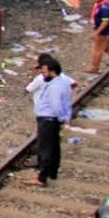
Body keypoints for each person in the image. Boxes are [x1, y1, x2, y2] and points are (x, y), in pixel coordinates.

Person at [29, 57, 73, 187]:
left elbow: (56, 106)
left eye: (45, 72)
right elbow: (67, 103)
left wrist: (60, 118)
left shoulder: (54, 86)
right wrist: (66, 118)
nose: (43, 75)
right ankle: (52, 173)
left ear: (52, 71)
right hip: (53, 120)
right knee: (54, 147)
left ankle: (42, 177)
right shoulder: (63, 83)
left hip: (48, 119)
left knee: (45, 148)